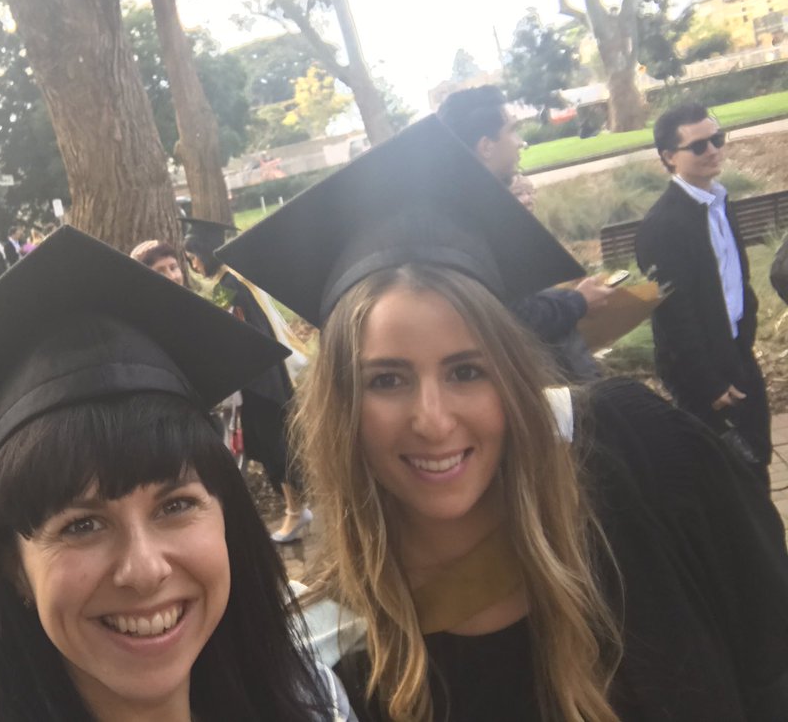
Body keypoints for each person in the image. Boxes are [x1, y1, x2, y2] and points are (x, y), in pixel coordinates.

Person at [219, 116, 788, 721]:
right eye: (386, 380)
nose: (433, 421)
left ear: (513, 376)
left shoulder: (635, 450)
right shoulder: (338, 660)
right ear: (340, 405)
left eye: (467, 371)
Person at [0, 226, 352, 722]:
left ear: (227, 519)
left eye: (176, 505)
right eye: (81, 525)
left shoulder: (320, 706)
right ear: (14, 569)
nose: (144, 571)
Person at [636, 103, 772, 483]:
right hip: (701, 372)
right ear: (669, 157)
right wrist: (707, 382)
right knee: (726, 479)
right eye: (698, 146)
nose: (713, 150)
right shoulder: (662, 226)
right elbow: (673, 314)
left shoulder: (718, 202)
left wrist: (744, 336)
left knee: (757, 461)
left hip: (736, 351)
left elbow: (737, 280)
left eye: (717, 139)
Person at [438, 85, 610, 383]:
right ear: (486, 146)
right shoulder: (482, 221)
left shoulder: (464, 211)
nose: (521, 143)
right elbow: (512, 316)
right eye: (512, 131)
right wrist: (578, 302)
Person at [182, 218, 311, 543]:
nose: (193, 265)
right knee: (272, 444)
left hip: (260, 381)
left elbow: (226, 330)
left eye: (194, 257)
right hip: (263, 376)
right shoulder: (232, 280)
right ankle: (297, 508)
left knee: (275, 446)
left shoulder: (229, 285)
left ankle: (296, 511)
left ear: (206, 252)